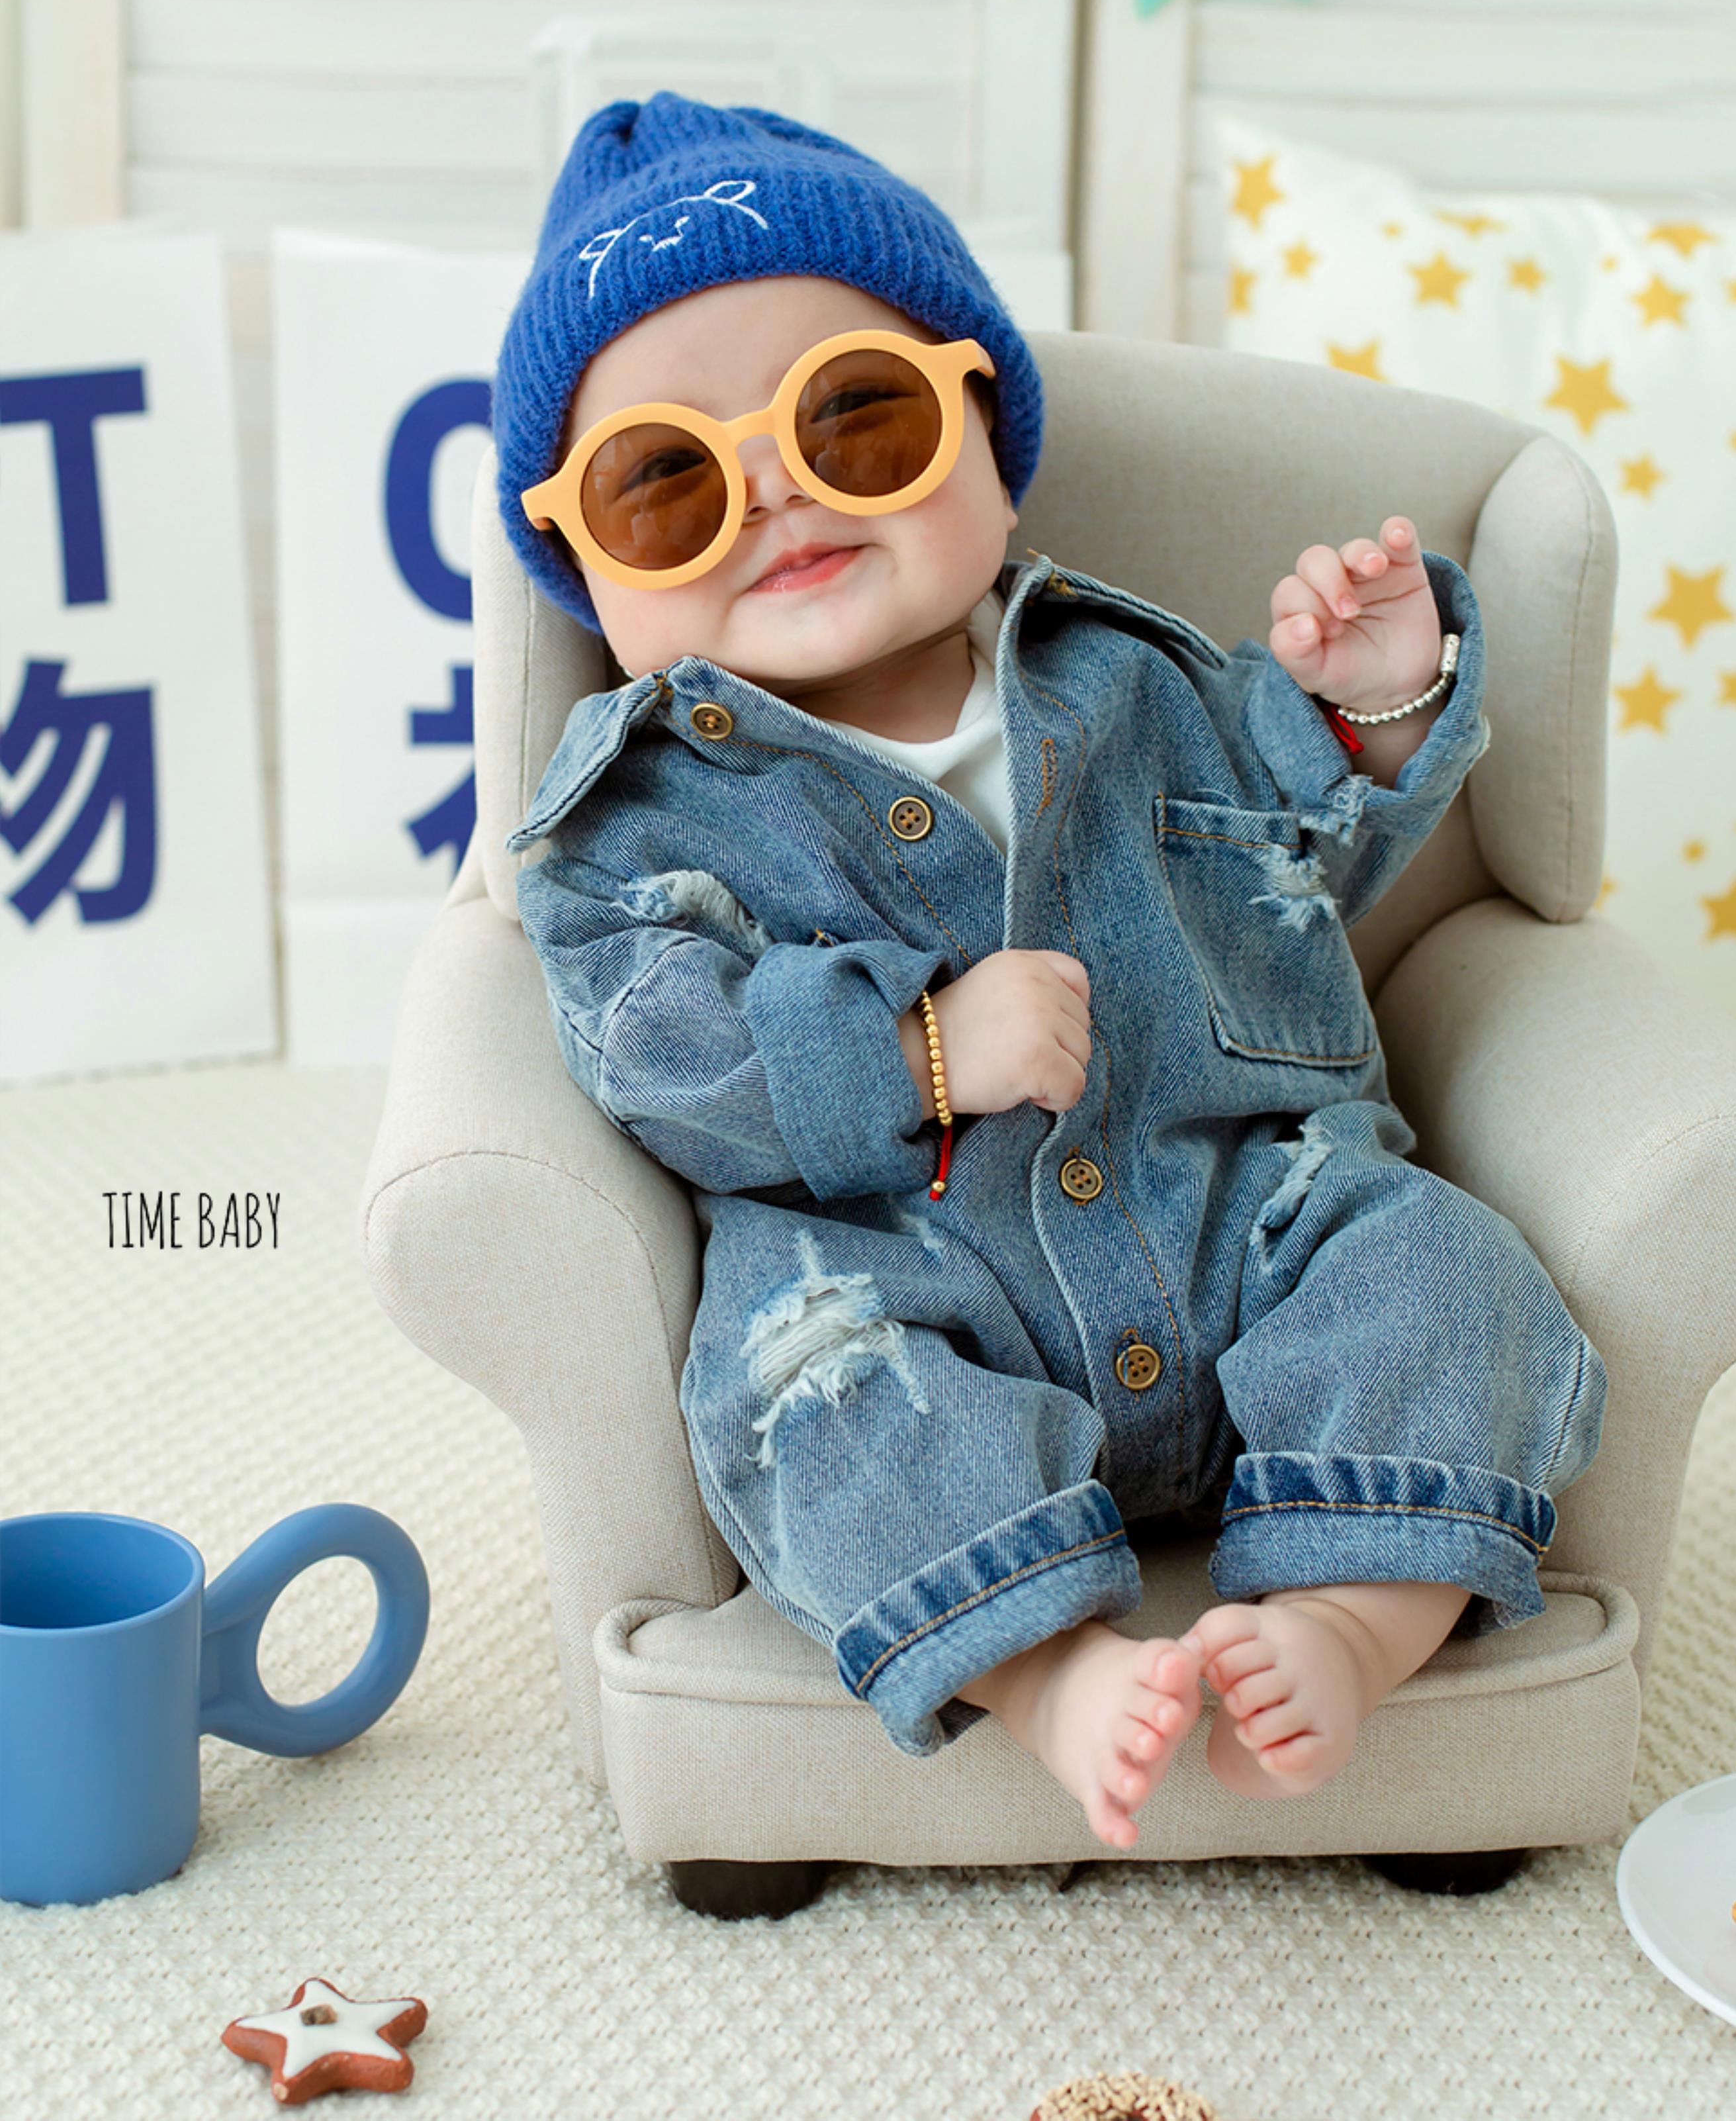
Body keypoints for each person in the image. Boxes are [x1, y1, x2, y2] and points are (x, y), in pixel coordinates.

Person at [492, 92, 1607, 1853]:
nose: (776, 494)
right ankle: (1047, 1673)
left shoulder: (1127, 675)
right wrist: (918, 1050)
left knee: (1443, 1268)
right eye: (666, 485)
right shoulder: (628, 820)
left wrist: (1375, 703)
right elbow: (657, 1056)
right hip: (907, 1283)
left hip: (1240, 1220)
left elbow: (1291, 857)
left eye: (852, 417)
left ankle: (1349, 1616)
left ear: (986, 437)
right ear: (587, 572)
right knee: (804, 1406)